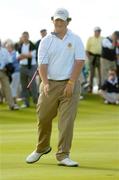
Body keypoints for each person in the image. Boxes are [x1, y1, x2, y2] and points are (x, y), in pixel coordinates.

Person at [26, 8, 85, 167]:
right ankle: (42, 147)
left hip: (70, 84)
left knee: (66, 121)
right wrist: (45, 83)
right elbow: (42, 64)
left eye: (62, 20)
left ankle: (63, 155)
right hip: (49, 84)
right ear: (53, 20)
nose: (59, 22)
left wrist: (71, 82)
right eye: (56, 20)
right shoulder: (46, 40)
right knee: (43, 116)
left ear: (68, 21)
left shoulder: (76, 39)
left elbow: (79, 61)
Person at [17, 32, 38, 108]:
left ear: (28, 37)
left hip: (31, 67)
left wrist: (23, 55)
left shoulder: (32, 45)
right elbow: (18, 57)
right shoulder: (19, 46)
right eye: (23, 36)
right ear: (22, 37)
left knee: (33, 84)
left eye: (26, 36)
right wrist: (26, 55)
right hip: (22, 66)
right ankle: (26, 103)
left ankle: (36, 101)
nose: (25, 38)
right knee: (24, 85)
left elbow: (31, 55)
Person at [0, 39, 19, 110]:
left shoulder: (4, 51)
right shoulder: (5, 50)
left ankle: (11, 105)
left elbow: (10, 61)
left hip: (3, 71)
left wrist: (6, 67)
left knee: (7, 88)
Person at [86, 27, 103, 93]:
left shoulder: (102, 39)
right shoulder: (90, 39)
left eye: (99, 31)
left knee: (100, 74)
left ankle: (100, 88)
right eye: (97, 31)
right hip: (92, 57)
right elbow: (87, 50)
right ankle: (90, 88)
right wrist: (89, 58)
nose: (98, 32)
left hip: (100, 57)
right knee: (91, 74)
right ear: (94, 32)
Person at [6, 42, 20, 108]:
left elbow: (11, 61)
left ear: (11, 47)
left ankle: (15, 104)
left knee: (13, 88)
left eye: (8, 47)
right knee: (12, 88)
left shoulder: (15, 53)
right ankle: (13, 103)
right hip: (11, 73)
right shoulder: (9, 54)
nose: (7, 49)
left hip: (16, 72)